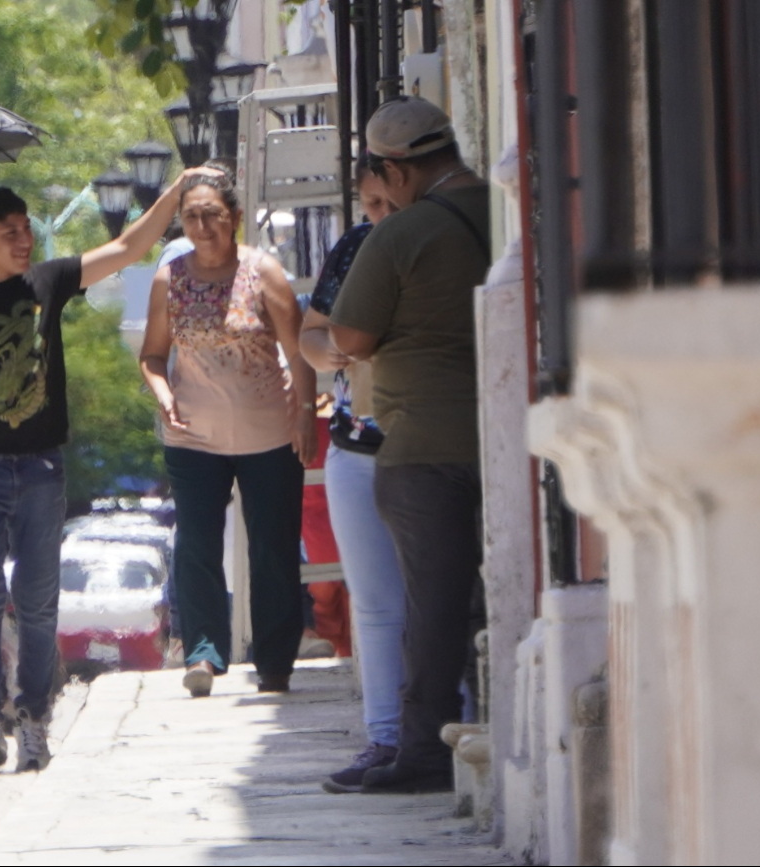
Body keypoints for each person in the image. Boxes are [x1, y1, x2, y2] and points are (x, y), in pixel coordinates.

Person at [0, 167, 222, 773]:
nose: (23, 241)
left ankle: (33, 720)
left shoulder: (48, 281)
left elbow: (127, 248)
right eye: (7, 233)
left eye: (25, 229)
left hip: (42, 467)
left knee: (39, 601)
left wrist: (175, 193)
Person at [327, 96, 491, 793]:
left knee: (433, 607)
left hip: (423, 445)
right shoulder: (505, 208)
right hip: (505, 437)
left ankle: (424, 749)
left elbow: (348, 339)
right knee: (488, 596)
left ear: (394, 170)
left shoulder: (402, 234)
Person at [139, 168, 317, 698]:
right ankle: (203, 653)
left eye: (211, 214)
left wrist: (306, 414)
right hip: (194, 436)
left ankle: (275, 661)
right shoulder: (169, 278)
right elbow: (152, 355)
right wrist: (164, 394)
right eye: (191, 216)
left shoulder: (264, 273)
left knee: (273, 547)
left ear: (234, 218)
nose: (201, 225)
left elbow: (299, 351)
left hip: (269, 434)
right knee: (195, 544)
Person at [297, 158, 407, 792]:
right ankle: (384, 735)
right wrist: (331, 350)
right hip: (355, 437)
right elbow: (312, 335)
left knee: (435, 593)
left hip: (421, 437)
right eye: (369, 205)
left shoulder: (430, 242)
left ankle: (450, 718)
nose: (379, 216)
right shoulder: (355, 249)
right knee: (373, 600)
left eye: (387, 201)